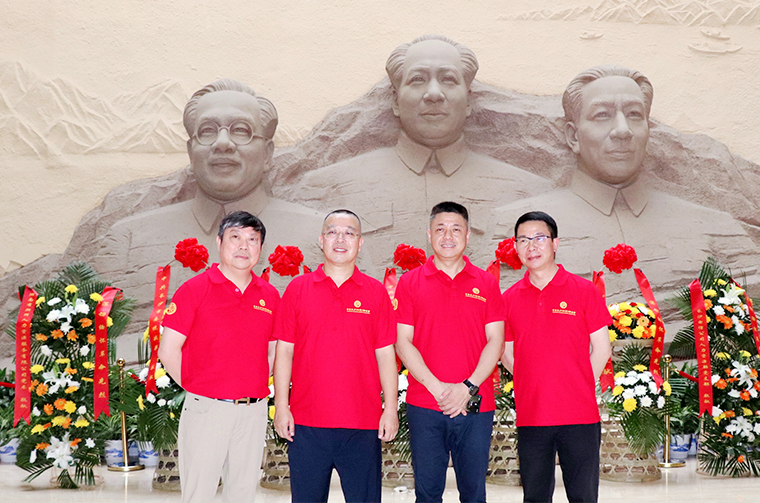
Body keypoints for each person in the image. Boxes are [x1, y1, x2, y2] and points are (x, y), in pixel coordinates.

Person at [490, 65, 759, 303]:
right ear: (573, 136)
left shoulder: (717, 229)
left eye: (634, 114)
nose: (622, 130)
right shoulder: (510, 228)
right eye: (602, 115)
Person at [288, 35, 551, 277]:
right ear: (395, 100)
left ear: (469, 100)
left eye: (448, 79)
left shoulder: (525, 190)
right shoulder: (327, 187)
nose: (434, 94)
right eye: (417, 80)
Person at [92, 79, 324, 354]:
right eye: (207, 131)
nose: (222, 143)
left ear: (267, 154)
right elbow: (100, 345)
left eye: (241, 130)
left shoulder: (322, 235)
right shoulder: (129, 240)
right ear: (191, 152)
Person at [273, 209, 398, 503]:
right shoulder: (298, 289)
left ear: (360, 243)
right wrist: (281, 406)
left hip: (362, 424)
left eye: (349, 233)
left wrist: (390, 409)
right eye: (333, 232)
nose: (340, 239)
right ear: (321, 240)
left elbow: (385, 355)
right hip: (306, 424)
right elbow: (284, 351)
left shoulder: (375, 292)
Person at [158, 210, 279, 503]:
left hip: (253, 411)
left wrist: (253, 382)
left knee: (243, 493)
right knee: (199, 493)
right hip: (207, 410)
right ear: (219, 241)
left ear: (261, 248)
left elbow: (274, 350)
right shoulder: (194, 290)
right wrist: (200, 388)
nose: (244, 246)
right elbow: (168, 350)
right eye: (235, 237)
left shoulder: (270, 295)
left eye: (252, 239)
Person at [394, 201, 505, 503]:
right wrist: (439, 389)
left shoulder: (486, 283)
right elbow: (403, 341)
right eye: (440, 229)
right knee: (427, 494)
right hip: (426, 403)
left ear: (467, 235)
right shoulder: (410, 282)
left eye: (456, 229)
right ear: (429, 234)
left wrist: (467, 387)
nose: (448, 236)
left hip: (476, 404)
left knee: (474, 493)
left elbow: (495, 340)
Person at [501, 211, 612, 503]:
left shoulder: (584, 290)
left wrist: (576, 385)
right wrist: (533, 383)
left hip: (580, 415)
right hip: (532, 415)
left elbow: (602, 349)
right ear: (515, 247)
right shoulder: (509, 298)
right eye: (523, 240)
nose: (531, 246)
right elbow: (506, 353)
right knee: (535, 496)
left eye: (539, 238)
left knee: (583, 496)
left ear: (555, 243)